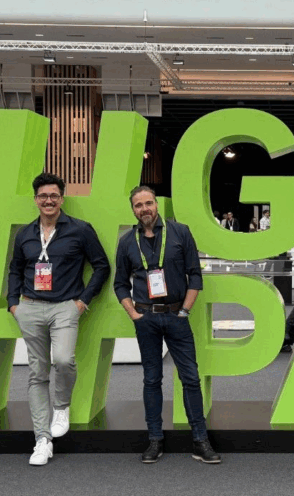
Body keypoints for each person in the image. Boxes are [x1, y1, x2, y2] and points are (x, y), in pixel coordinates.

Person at [7, 172, 111, 466]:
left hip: (65, 307)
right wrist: (13, 304)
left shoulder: (80, 230)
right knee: (37, 373)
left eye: (54, 195)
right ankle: (42, 440)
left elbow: (102, 266)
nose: (48, 200)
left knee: (64, 360)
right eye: (43, 196)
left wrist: (82, 301)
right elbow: (15, 269)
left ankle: (62, 407)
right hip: (30, 307)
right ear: (35, 199)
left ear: (62, 199)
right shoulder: (25, 234)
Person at [114, 186, 221, 465]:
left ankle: (200, 440)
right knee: (152, 379)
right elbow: (120, 284)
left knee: (190, 378)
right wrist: (133, 314)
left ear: (156, 204)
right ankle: (155, 439)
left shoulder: (180, 232)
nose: (144, 209)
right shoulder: (127, 242)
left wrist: (184, 311)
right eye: (138, 205)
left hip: (177, 316)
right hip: (145, 318)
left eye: (148, 203)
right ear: (133, 209)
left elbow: (195, 275)